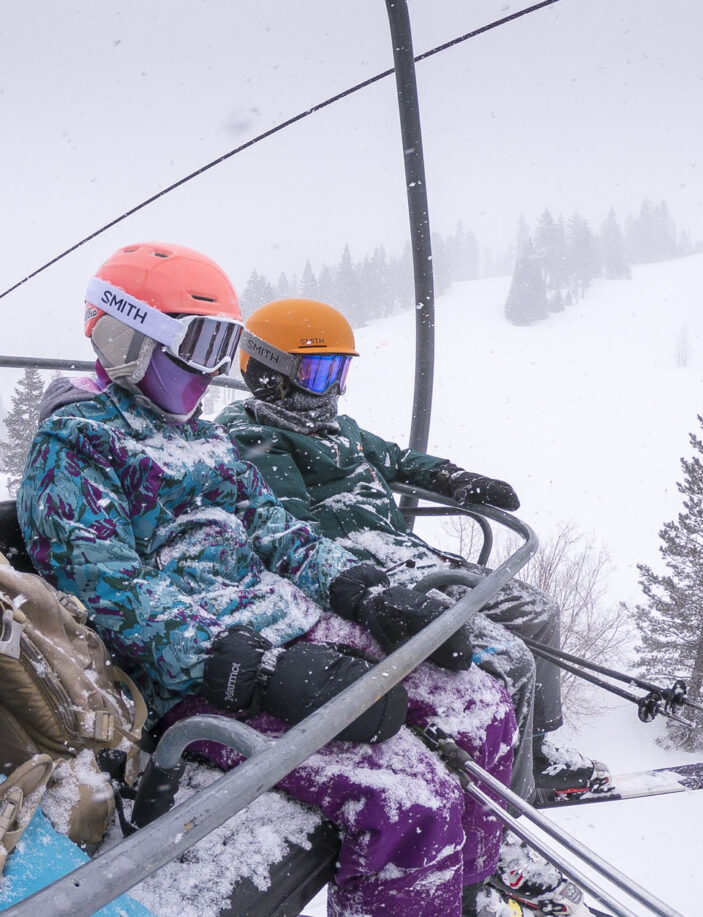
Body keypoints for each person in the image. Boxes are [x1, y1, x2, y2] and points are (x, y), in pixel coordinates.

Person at [16, 242, 520, 917]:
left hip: (289, 623)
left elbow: (275, 528)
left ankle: (469, 895)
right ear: (126, 336)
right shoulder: (76, 446)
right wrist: (248, 668)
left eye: (224, 347)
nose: (212, 370)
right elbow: (111, 596)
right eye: (199, 344)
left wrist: (362, 590)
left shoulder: (204, 437)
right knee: (410, 796)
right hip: (195, 677)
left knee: (479, 703)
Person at [215, 298, 605, 903]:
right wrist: (368, 581)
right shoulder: (256, 437)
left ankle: (539, 745)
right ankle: (505, 819)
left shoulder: (338, 429)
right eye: (318, 373)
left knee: (536, 614)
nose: (332, 389)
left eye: (340, 372)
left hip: (412, 554)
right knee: (506, 661)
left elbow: (398, 458)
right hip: (375, 574)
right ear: (270, 372)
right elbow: (292, 530)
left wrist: (453, 477)